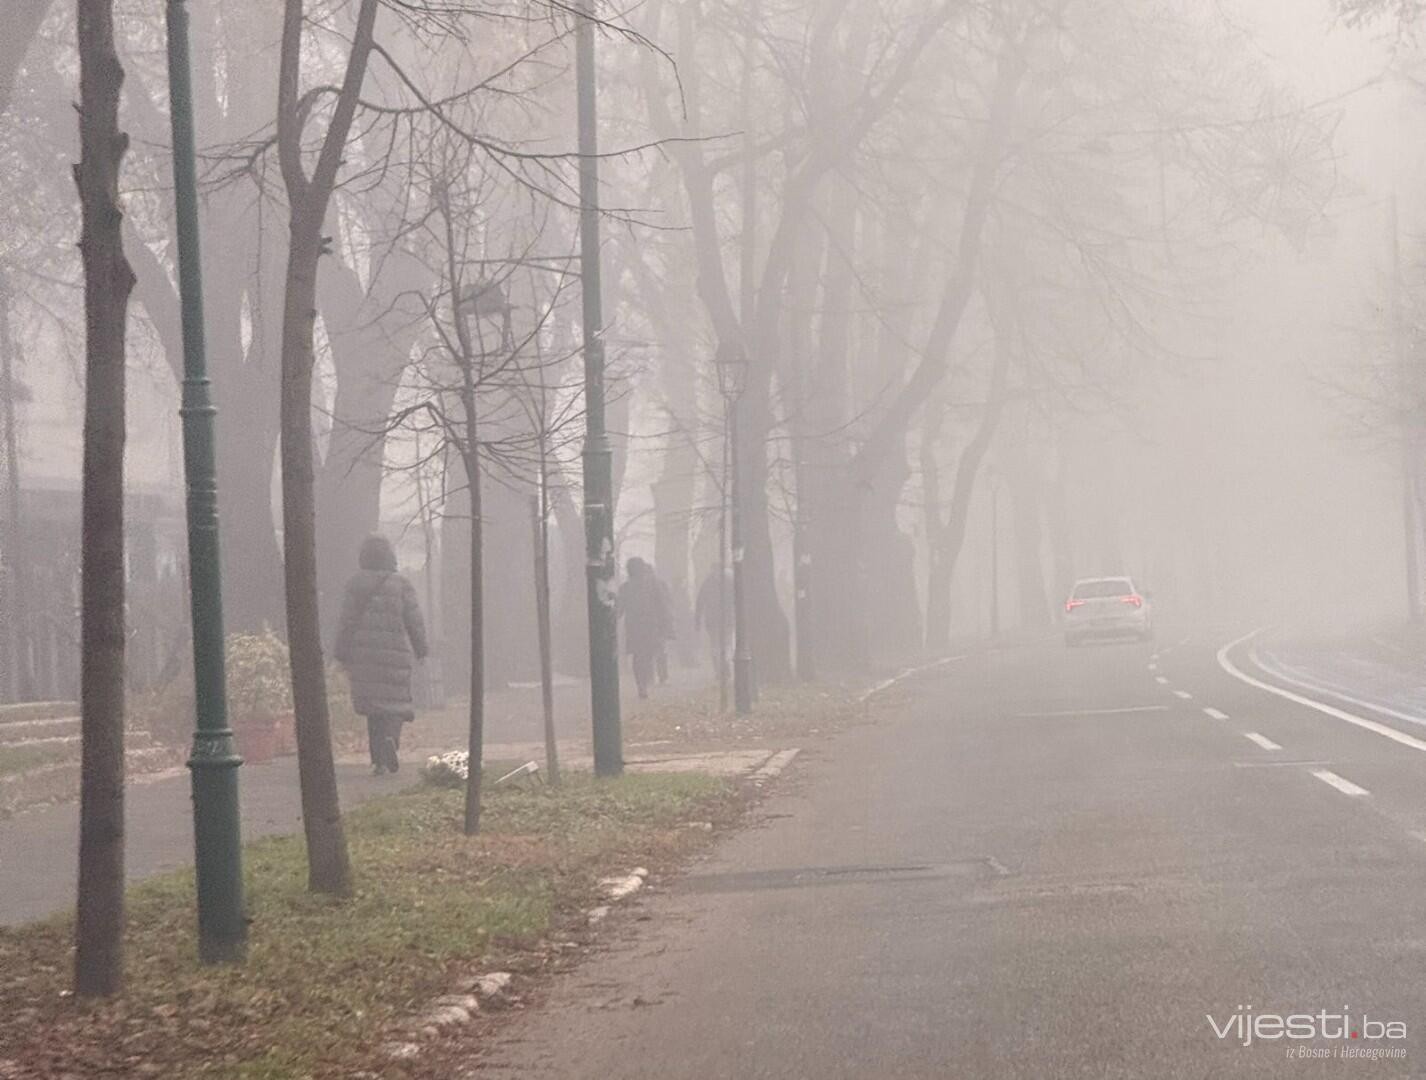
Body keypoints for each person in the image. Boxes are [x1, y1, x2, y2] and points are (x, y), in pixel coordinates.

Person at [334, 534, 429, 774]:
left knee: (373, 709)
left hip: (364, 656)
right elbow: (414, 621)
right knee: (396, 705)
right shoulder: (401, 584)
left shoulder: (355, 584)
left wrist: (341, 653)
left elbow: (347, 622)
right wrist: (421, 649)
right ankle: (391, 742)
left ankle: (378, 762)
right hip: (395, 653)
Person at [618, 556, 673, 699]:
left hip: (635, 627)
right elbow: (663, 606)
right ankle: (644, 683)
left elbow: (619, 609)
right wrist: (665, 625)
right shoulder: (653, 584)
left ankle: (641, 684)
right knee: (646, 655)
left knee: (639, 657)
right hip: (650, 626)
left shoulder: (626, 587)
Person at [694, 564, 734, 682]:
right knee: (719, 645)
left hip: (719, 619)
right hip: (719, 620)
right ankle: (722, 668)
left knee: (720, 645)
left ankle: (722, 668)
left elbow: (700, 602)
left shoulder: (709, 582)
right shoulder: (729, 581)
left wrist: (698, 619)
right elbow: (700, 602)